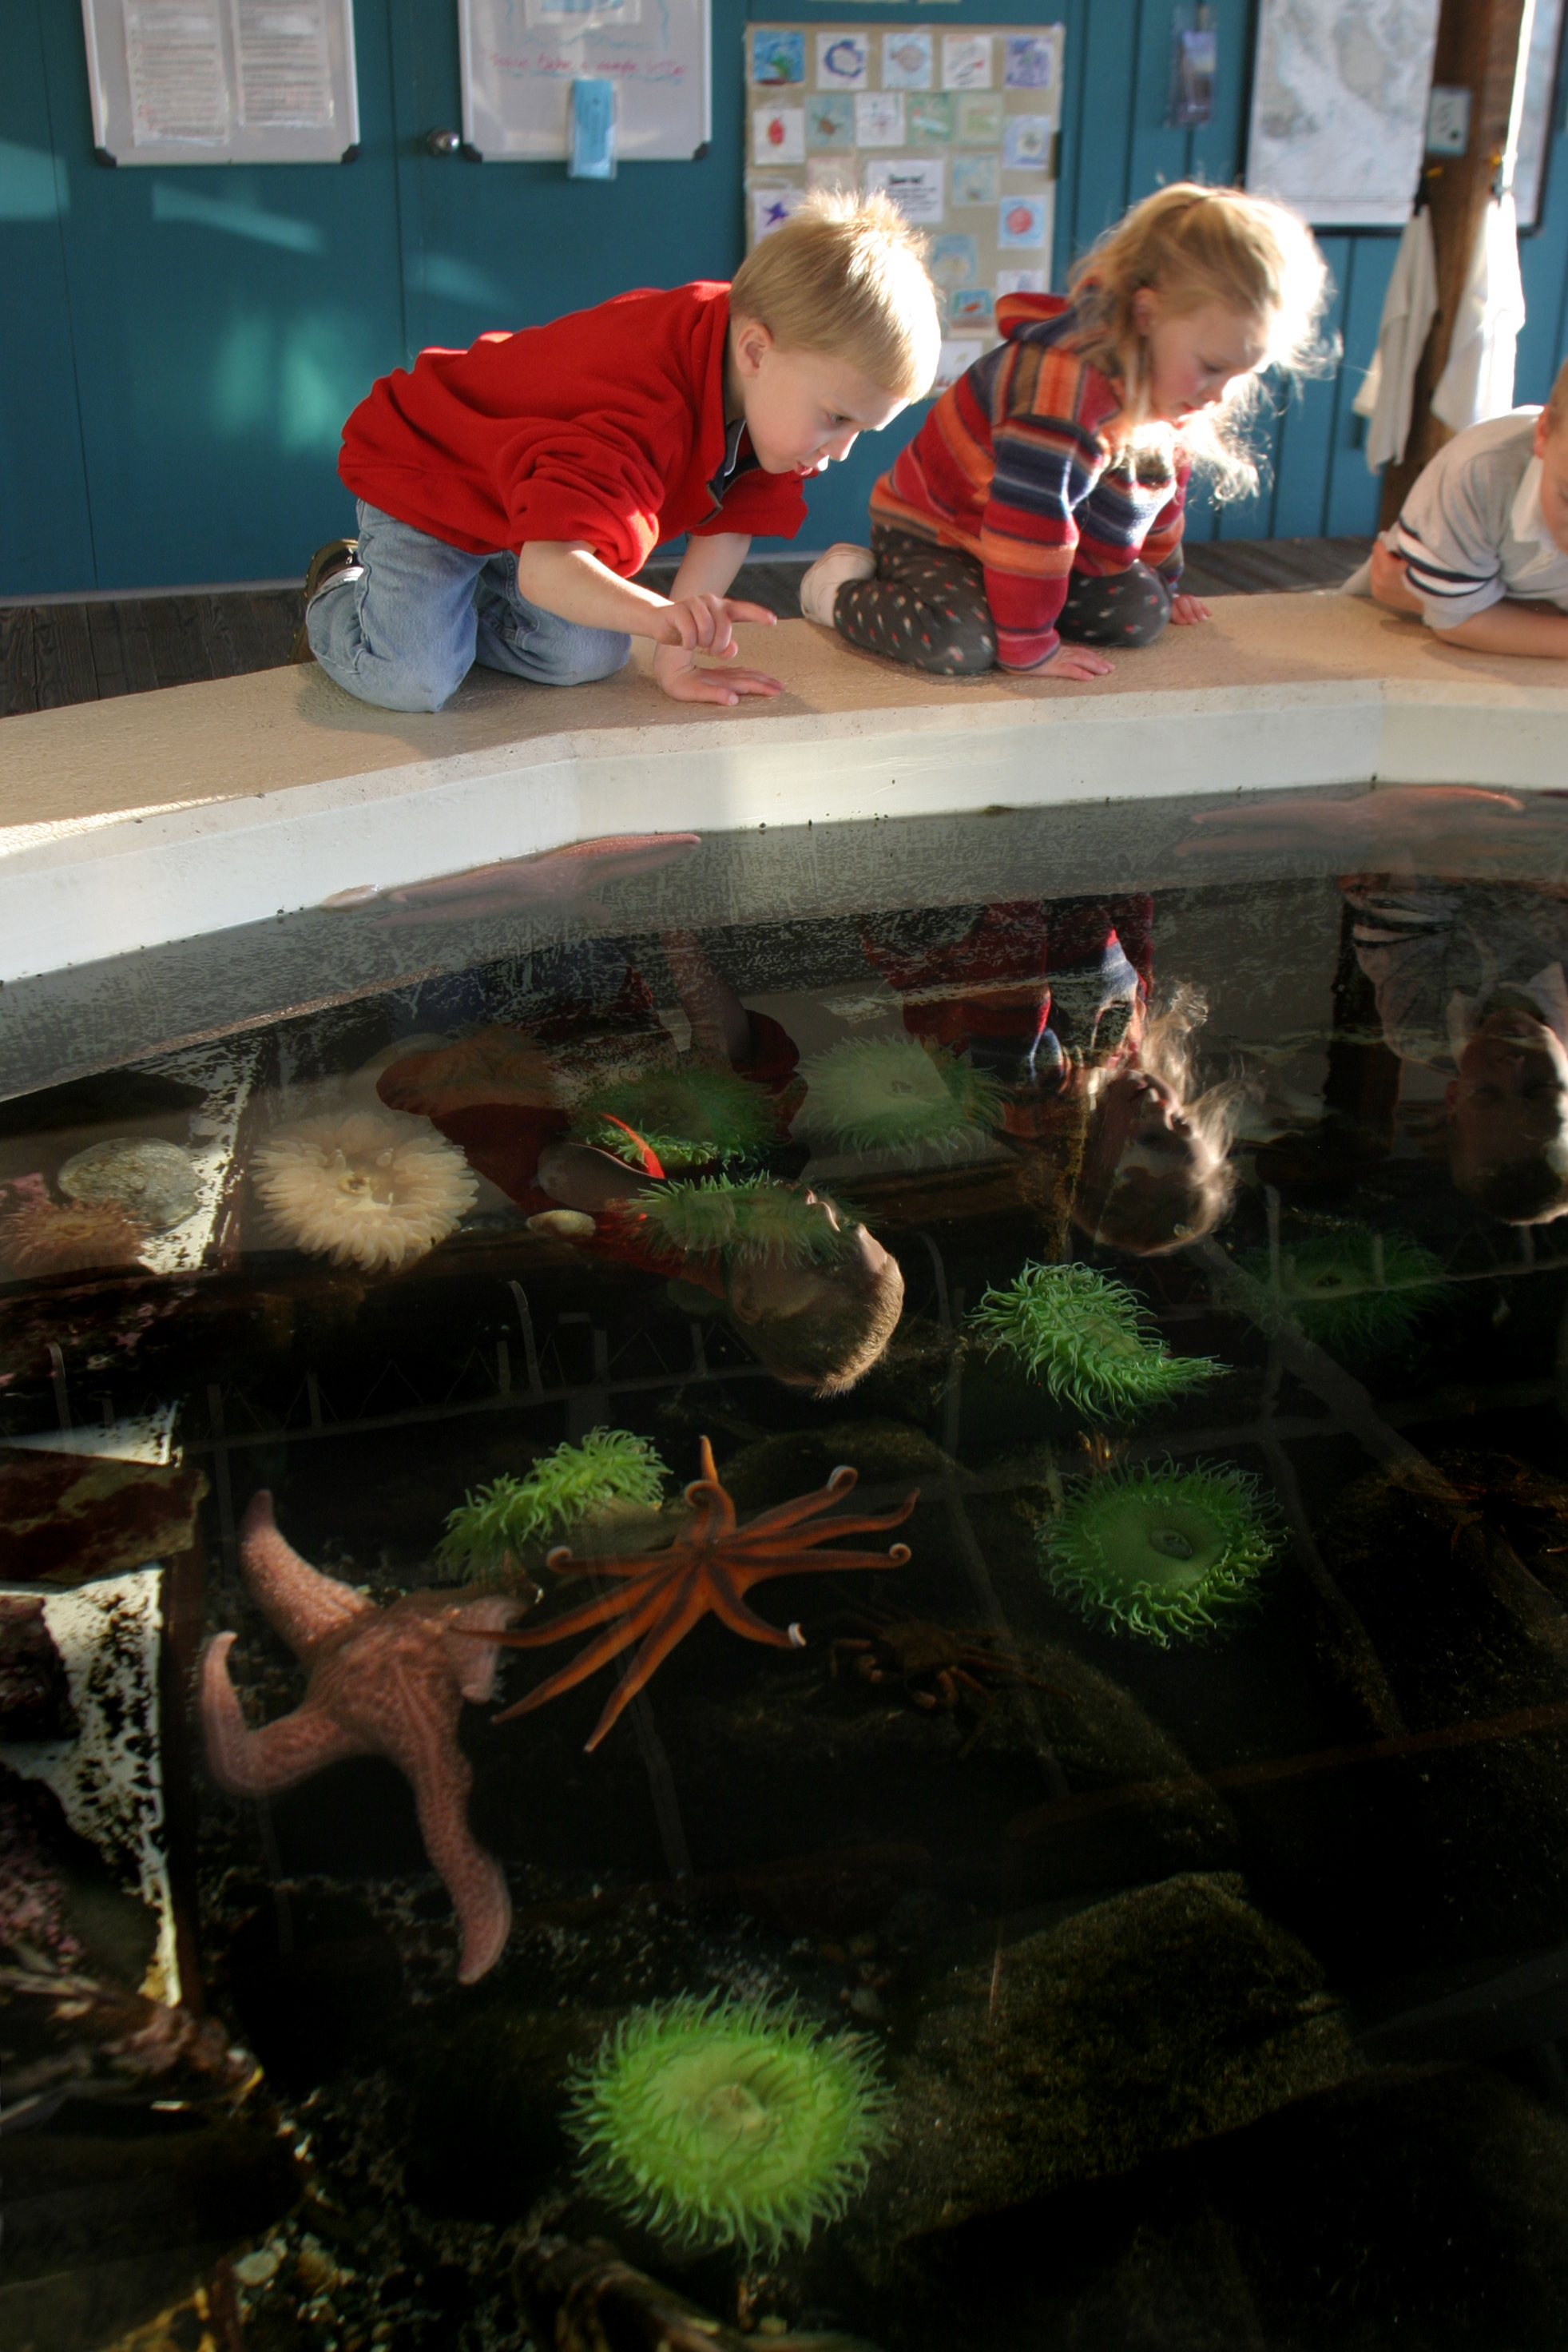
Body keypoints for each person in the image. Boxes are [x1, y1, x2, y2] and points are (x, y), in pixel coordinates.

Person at [296, 193, 940, 713]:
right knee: (416, 680)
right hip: (430, 474)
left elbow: (730, 520)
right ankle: (343, 583)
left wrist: (676, 656)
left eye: (862, 430)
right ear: (755, 352)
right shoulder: (641, 409)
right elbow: (548, 572)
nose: (842, 451)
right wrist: (663, 614)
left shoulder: (766, 358)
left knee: (588, 656)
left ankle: (452, 602)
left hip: (525, 498)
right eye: (836, 419)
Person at [796, 181, 1329, 677]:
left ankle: (1014, 601)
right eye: (1213, 366)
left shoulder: (1172, 386)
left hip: (1039, 542)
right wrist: (1029, 647)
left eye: (1242, 376)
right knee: (964, 644)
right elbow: (1029, 524)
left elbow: (1158, 500)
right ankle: (840, 591)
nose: (1220, 393)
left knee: (1140, 614)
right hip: (939, 533)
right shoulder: (1062, 393)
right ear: (1146, 315)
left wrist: (1163, 586)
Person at [376, 933, 906, 1393]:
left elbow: (557, 1168)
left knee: (420, 930)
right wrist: (675, 931)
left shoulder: (664, 1241)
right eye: (848, 1227)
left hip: (460, 1051)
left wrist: (670, 1204)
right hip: (592, 1001)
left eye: (814, 1254)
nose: (820, 1215)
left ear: (746, 1299)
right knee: (560, 907)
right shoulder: (764, 1164)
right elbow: (728, 1042)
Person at [858, 896, 1241, 1252]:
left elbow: (1008, 984)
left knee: (1100, 998)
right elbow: (1134, 935)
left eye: (1154, 1140)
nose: (1161, 1111)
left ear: (1090, 1172)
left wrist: (1022, 883)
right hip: (1036, 905)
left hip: (943, 925)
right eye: (1182, 1121)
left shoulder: (1034, 1105)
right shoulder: (1127, 1062)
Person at [1349, 356, 1568, 659]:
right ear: (1543, 432)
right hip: (1385, 639)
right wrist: (1452, 610)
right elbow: (1460, 623)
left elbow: (1458, 613)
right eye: (1567, 497)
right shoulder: (1477, 473)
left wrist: (1429, 601)